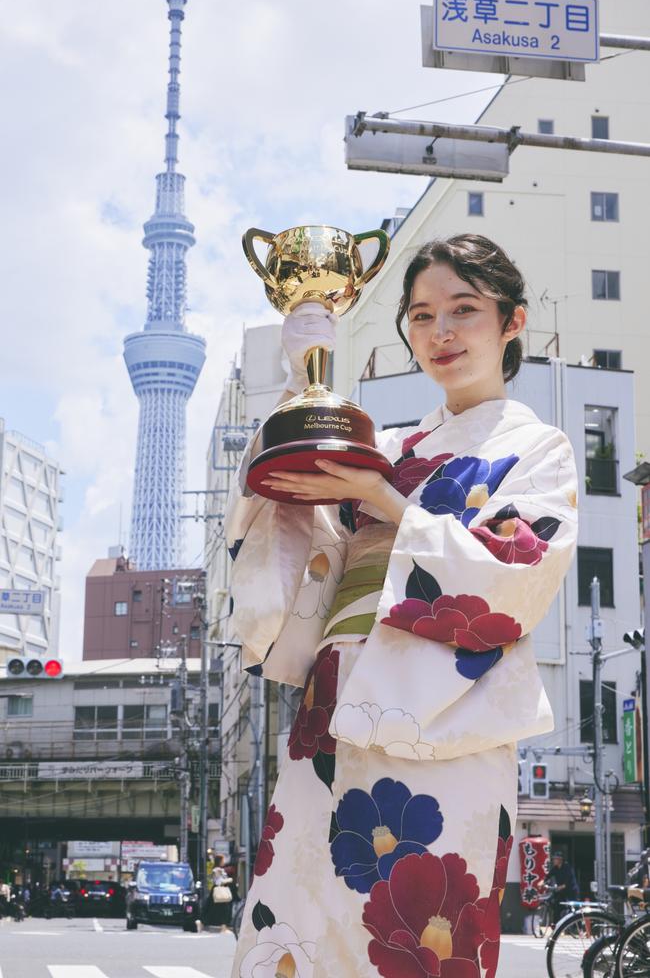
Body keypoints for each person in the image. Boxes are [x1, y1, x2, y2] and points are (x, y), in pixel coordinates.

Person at [226, 234, 578, 977]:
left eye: (463, 310)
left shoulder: (539, 447)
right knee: (303, 918)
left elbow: (517, 576)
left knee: (418, 930)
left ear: (512, 323)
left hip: (444, 712)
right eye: (420, 316)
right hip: (336, 699)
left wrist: (384, 500)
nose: (440, 333)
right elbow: (304, 553)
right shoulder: (388, 441)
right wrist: (301, 389)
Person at [546, 851, 579, 923]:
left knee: (574, 909)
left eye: (555, 859)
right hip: (562, 891)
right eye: (554, 859)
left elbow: (567, 883)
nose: (554, 860)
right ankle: (556, 925)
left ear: (560, 860)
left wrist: (560, 887)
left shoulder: (567, 868)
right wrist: (542, 882)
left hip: (571, 891)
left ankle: (578, 927)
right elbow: (548, 876)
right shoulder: (555, 868)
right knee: (557, 906)